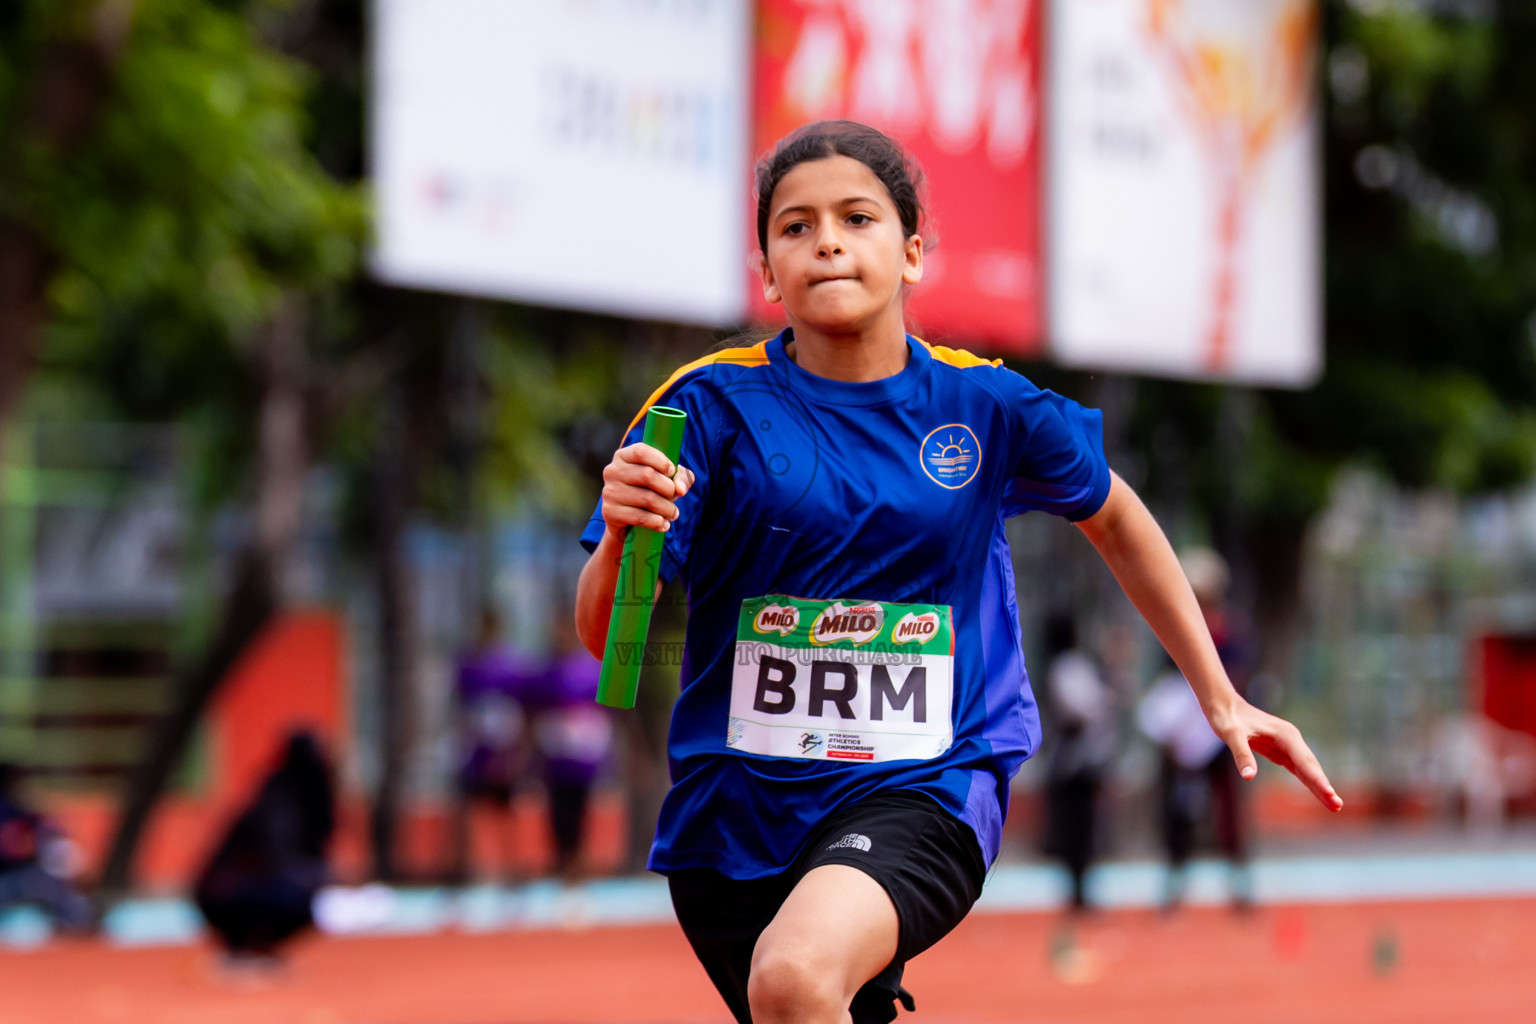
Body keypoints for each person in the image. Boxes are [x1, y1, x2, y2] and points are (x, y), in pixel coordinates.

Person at [575, 121, 1341, 1024]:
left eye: (856, 218)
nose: (825, 239)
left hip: (926, 784)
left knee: (791, 978)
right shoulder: (704, 407)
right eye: (794, 226)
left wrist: (1219, 695)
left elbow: (1119, 517)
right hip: (732, 821)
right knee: (800, 997)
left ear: (910, 254)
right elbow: (602, 636)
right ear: (766, 269)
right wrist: (625, 530)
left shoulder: (985, 406)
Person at [194, 731, 334, 964]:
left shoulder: (292, 798)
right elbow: (275, 853)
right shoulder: (280, 800)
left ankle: (255, 947)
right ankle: (247, 947)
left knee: (305, 892)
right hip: (230, 894)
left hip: (234, 891)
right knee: (301, 896)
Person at [528, 615, 614, 882]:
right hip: (555, 760)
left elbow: (607, 714)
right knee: (556, 814)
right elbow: (534, 713)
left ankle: (577, 868)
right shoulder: (545, 673)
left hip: (582, 761)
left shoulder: (590, 671)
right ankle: (562, 865)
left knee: (579, 814)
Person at [1040, 615, 1116, 913]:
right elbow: (1087, 709)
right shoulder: (1069, 666)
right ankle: (1078, 890)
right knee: (1076, 828)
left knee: (1080, 828)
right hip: (1076, 761)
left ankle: (1080, 889)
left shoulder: (1065, 666)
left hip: (1078, 760)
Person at [0, 763, 95, 934]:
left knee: (55, 884)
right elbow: (10, 848)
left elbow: (55, 833)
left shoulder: (24, 808)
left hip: (29, 873)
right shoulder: (5, 809)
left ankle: (78, 926)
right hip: (9, 876)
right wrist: (27, 848)